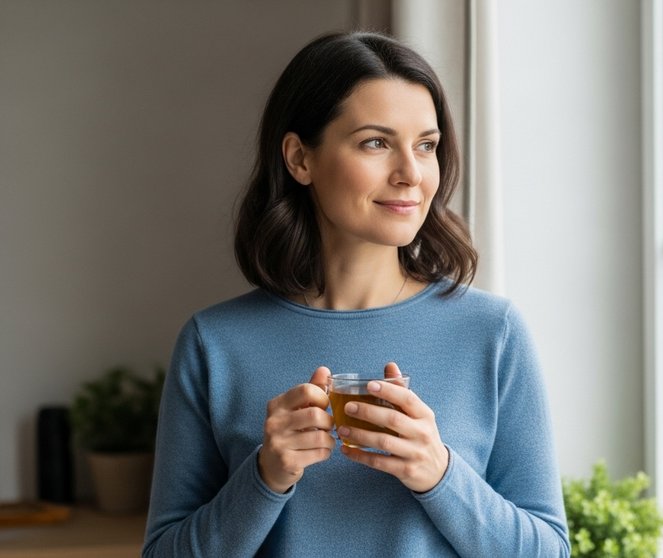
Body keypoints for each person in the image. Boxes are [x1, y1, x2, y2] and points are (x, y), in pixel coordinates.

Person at [142, 31, 569, 557]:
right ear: (300, 159)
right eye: (376, 142)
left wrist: (439, 473)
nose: (411, 173)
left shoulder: (493, 333)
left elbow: (549, 551)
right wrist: (263, 478)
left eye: (426, 146)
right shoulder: (214, 342)